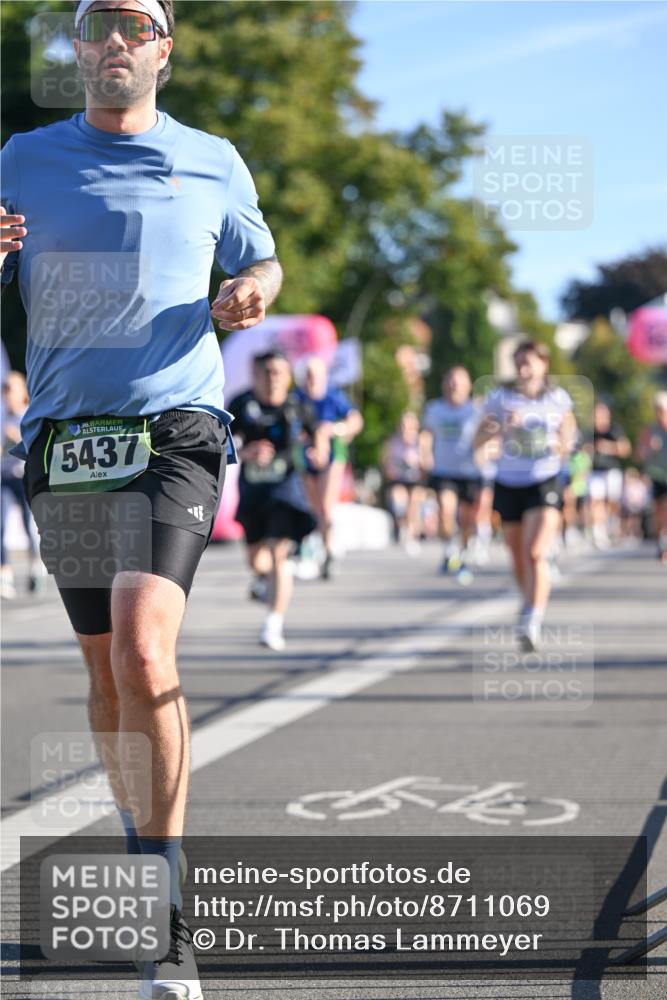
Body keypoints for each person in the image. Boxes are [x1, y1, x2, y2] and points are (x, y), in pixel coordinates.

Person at [1, 2, 282, 997]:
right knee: (104, 668)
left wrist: (255, 287)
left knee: (140, 644)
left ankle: (163, 909)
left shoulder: (213, 156)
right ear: (77, 50)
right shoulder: (22, 157)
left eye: (136, 23)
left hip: (178, 428)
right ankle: (141, 836)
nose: (115, 39)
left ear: (163, 47)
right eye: (97, 24)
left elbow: (263, 257)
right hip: (65, 437)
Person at [474, 341, 577, 651]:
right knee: (518, 556)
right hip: (508, 481)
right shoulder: (499, 398)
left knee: (535, 552)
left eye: (529, 362)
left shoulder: (558, 399)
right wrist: (499, 428)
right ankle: (528, 599)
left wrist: (544, 439)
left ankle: (533, 617)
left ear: (544, 365)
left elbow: (566, 444)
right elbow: (478, 438)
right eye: (518, 362)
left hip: (543, 480)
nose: (523, 368)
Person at [228, 351, 327, 651]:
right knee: (256, 558)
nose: (274, 378)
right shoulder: (241, 404)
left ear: (288, 376)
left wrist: (319, 451)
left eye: (279, 372)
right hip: (253, 491)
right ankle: (261, 580)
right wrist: (247, 453)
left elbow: (318, 431)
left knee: (278, 554)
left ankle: (273, 623)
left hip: (286, 491)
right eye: (267, 372)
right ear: (255, 374)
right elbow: (221, 443)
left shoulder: (297, 406)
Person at [295, 356, 363, 579]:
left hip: (333, 455)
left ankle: (329, 549)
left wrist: (334, 430)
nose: (312, 380)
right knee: (312, 507)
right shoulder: (297, 399)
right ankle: (315, 546)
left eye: (316, 375)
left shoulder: (334, 397)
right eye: (308, 375)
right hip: (306, 456)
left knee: (325, 506)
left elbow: (355, 422)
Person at [421, 366, 482, 583]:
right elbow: (427, 434)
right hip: (443, 470)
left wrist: (485, 451)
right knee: (446, 511)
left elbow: (485, 436)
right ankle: (450, 550)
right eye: (451, 381)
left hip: (470, 471)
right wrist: (425, 454)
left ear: (468, 386)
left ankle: (463, 549)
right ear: (444, 384)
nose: (454, 385)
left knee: (467, 520)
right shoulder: (435, 409)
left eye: (459, 381)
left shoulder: (475, 410)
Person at [1, 371, 45, 597]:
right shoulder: (2, 418)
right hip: (4, 478)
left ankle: (35, 568)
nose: (6, 395)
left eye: (10, 389)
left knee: (30, 527)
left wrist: (16, 436)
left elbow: (35, 447)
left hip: (24, 478)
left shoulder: (28, 416)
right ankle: (5, 575)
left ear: (21, 392)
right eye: (4, 390)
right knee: (1, 526)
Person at [586, 400, 631, 548]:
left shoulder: (614, 430)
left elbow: (625, 449)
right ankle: (599, 532)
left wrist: (607, 447)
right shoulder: (590, 432)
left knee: (612, 502)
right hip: (595, 471)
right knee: (596, 501)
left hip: (612, 470)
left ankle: (612, 525)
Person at [381, 411, 426, 555]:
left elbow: (427, 462)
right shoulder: (393, 441)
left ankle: (412, 536)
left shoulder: (421, 441)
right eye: (403, 425)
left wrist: (417, 463)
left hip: (416, 479)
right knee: (398, 500)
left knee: (414, 506)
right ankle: (402, 527)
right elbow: (385, 460)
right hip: (398, 479)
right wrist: (390, 468)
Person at [637, 391, 667, 562]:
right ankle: (661, 542)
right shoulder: (649, 430)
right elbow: (639, 454)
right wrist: (648, 448)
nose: (661, 414)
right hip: (656, 475)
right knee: (658, 511)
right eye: (658, 410)